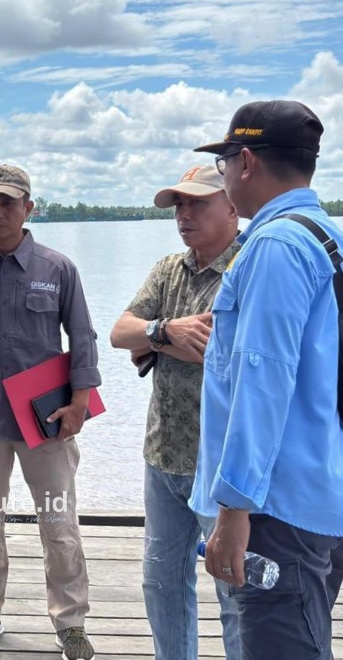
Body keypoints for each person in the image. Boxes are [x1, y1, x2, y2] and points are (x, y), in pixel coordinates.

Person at [189, 101, 343, 659]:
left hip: (274, 508)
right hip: (319, 487)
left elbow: (262, 382)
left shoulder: (275, 247)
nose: (225, 174)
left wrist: (234, 509)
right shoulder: (326, 237)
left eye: (225, 161)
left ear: (247, 161)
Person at [0, 164, 100, 660]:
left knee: (58, 523)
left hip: (46, 422)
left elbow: (83, 336)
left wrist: (79, 403)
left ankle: (70, 622)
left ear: (28, 208)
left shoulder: (58, 269)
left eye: (7, 202)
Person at [109, 164, 241, 660]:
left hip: (222, 463)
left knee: (234, 589)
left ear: (232, 205)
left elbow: (223, 351)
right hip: (162, 454)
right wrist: (165, 332)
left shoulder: (248, 267)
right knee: (161, 580)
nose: (184, 214)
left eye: (197, 203)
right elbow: (120, 331)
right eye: (178, 205)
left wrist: (154, 340)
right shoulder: (169, 268)